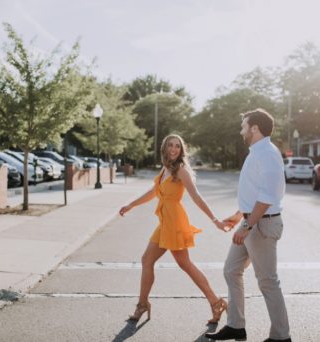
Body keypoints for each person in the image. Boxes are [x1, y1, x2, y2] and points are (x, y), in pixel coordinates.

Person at [118, 134, 228, 324]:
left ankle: (215, 301)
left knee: (185, 264)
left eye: (177, 146)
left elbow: (196, 196)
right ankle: (142, 304)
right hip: (164, 222)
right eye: (170, 145)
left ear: (181, 150)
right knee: (147, 260)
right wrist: (131, 205)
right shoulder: (166, 169)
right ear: (164, 148)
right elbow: (153, 192)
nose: (174, 149)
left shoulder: (181, 170)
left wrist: (215, 219)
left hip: (175, 222)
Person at [206, 109, 291, 342]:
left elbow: (267, 195)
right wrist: (238, 217)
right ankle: (236, 326)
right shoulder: (256, 152)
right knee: (231, 270)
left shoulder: (267, 153)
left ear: (254, 128)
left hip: (262, 225)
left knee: (267, 281)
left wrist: (247, 226)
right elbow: (253, 193)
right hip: (251, 221)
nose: (241, 130)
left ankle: (281, 337)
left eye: (244, 125)